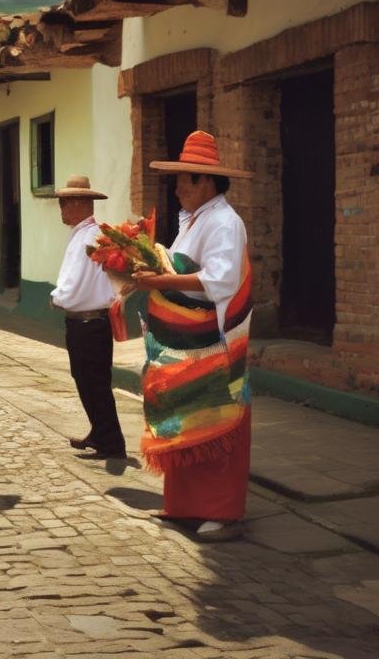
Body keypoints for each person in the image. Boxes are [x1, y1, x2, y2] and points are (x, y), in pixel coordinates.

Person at [132, 131, 253, 542]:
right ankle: (184, 505)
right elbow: (179, 265)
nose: (178, 188)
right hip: (188, 344)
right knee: (187, 421)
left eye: (186, 180)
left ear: (207, 182)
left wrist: (160, 279)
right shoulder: (196, 220)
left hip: (213, 342)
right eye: (179, 180)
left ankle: (220, 513)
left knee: (215, 423)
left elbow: (220, 279)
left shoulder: (225, 223)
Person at [49, 176, 124, 459]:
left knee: (94, 382)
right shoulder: (85, 234)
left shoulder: (91, 237)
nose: (61, 209)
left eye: (64, 203)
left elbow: (76, 280)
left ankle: (111, 441)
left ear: (80, 203)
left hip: (89, 322)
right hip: (86, 321)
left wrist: (58, 298)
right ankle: (101, 433)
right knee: (88, 380)